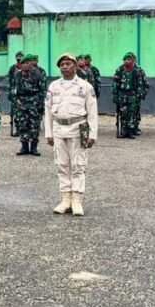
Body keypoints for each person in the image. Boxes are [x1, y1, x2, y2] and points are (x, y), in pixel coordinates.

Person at [44, 53, 98, 216]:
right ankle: (65, 198)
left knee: (78, 165)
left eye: (68, 63)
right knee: (62, 165)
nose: (64, 66)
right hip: (59, 128)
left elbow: (92, 112)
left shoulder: (85, 86)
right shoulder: (53, 86)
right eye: (62, 64)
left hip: (78, 128)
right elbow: (47, 111)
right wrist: (49, 132)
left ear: (75, 66)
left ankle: (77, 200)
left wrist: (92, 134)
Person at [13, 54, 46, 155]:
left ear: (31, 64)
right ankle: (24, 147)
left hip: (34, 102)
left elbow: (42, 89)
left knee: (34, 125)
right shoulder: (17, 74)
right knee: (23, 124)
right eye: (23, 63)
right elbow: (13, 88)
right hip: (21, 103)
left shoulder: (37, 74)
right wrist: (15, 101)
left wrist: (41, 104)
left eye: (27, 63)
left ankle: (34, 147)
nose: (25, 65)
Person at [112, 52, 148, 138]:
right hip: (122, 94)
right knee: (123, 113)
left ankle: (131, 130)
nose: (126, 61)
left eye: (128, 59)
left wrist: (139, 95)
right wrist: (115, 95)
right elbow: (115, 84)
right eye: (125, 60)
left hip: (132, 94)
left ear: (132, 60)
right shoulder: (120, 70)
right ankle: (124, 130)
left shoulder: (136, 71)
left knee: (132, 113)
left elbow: (140, 84)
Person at [8, 51, 25, 136]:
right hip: (15, 93)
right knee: (15, 112)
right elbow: (10, 81)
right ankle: (18, 129)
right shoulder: (12, 68)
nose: (19, 58)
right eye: (17, 56)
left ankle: (25, 129)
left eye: (21, 56)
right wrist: (9, 93)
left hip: (24, 94)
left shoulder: (26, 68)